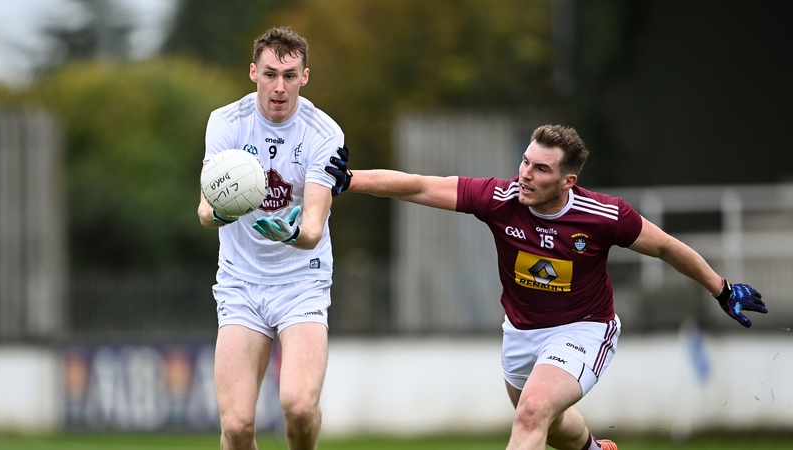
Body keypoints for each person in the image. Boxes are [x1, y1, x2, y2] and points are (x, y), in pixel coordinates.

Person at [326, 124, 767, 450]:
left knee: (532, 412)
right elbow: (423, 186)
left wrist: (722, 289)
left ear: (567, 181)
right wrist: (352, 179)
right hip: (520, 334)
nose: (525, 174)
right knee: (551, 424)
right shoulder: (499, 200)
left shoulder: (604, 216)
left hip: (584, 329)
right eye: (524, 161)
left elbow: (668, 248)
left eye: (540, 169)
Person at [197, 26, 345, 450]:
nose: (279, 87)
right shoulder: (225, 123)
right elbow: (206, 212)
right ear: (252, 72)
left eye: (290, 75)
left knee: (299, 408)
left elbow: (314, 229)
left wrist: (292, 232)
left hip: (301, 282)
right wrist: (224, 209)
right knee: (238, 426)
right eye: (269, 74)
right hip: (241, 282)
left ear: (305, 76)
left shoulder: (324, 133)